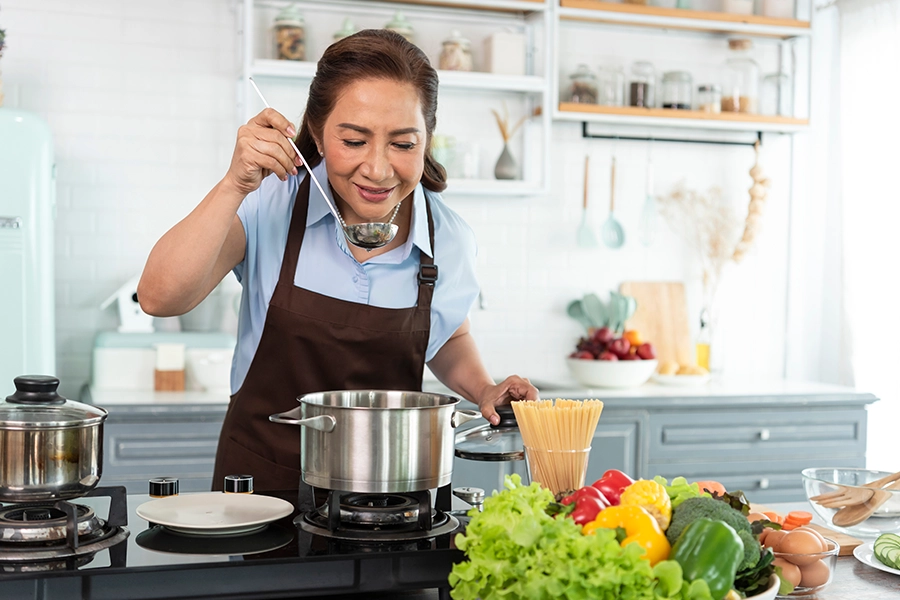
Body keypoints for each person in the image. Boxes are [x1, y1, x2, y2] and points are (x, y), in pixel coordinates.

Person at [137, 29, 539, 492]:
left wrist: (484, 389)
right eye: (354, 141)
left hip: (391, 493)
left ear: (427, 140)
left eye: (403, 144)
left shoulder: (447, 237)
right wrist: (234, 184)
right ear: (317, 132)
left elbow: (448, 333)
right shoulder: (270, 203)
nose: (378, 169)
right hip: (262, 487)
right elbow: (158, 297)